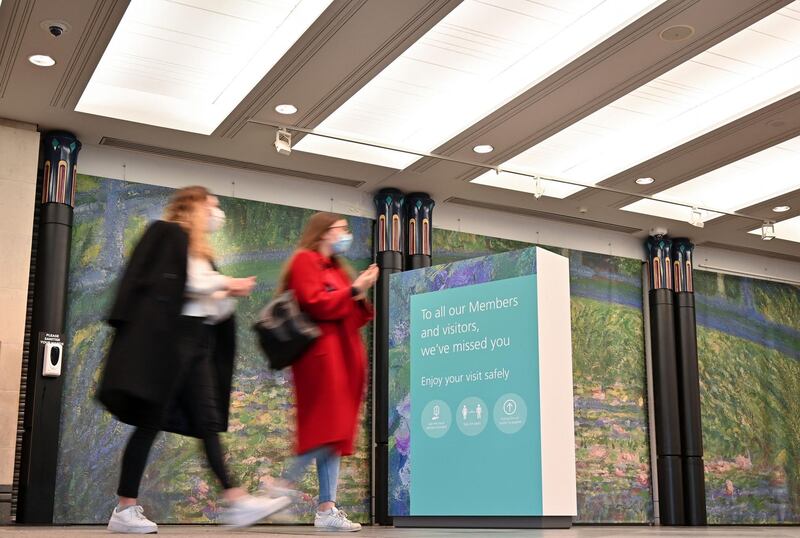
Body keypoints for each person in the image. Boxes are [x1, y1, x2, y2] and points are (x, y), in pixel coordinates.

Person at [98, 186, 290, 534]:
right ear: (194, 206)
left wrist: (225, 290)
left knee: (207, 422)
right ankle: (125, 508)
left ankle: (235, 499)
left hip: (197, 343)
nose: (217, 213)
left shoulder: (203, 252)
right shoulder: (168, 233)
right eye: (212, 205)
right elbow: (174, 283)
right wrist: (226, 283)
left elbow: (210, 303)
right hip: (170, 344)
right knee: (150, 423)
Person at [267, 212, 378, 532]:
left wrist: (359, 289)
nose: (346, 233)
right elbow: (316, 303)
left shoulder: (337, 269)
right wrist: (355, 289)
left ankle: (326, 507)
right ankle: (282, 485)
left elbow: (353, 317)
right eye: (341, 228)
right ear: (323, 232)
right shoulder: (305, 260)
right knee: (326, 429)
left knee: (336, 433)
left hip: (341, 359)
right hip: (320, 360)